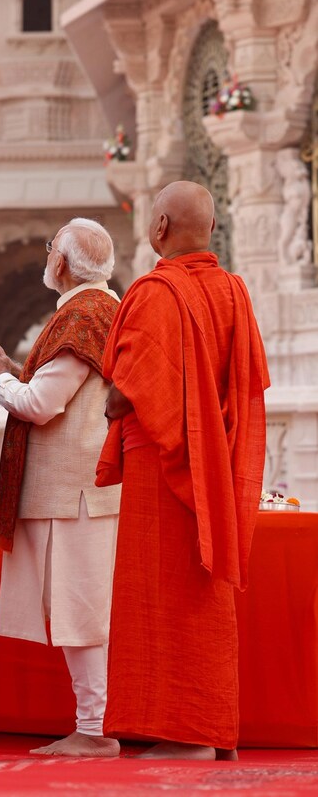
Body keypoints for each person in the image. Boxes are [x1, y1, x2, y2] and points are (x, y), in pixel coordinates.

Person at [97, 181, 269, 760]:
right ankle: (208, 726)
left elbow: (125, 392)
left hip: (161, 465)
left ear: (161, 227)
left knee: (157, 593)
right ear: (213, 230)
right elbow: (248, 385)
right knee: (204, 589)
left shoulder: (154, 291)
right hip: (213, 466)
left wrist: (112, 401)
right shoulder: (235, 293)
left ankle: (183, 734)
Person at [0, 218, 121, 758]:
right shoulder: (100, 308)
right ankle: (93, 724)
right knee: (82, 608)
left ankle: (94, 730)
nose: (48, 255)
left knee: (81, 611)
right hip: (81, 488)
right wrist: (9, 368)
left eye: (53, 248)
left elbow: (40, 405)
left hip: (74, 491)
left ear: (64, 264)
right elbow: (51, 389)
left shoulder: (82, 315)